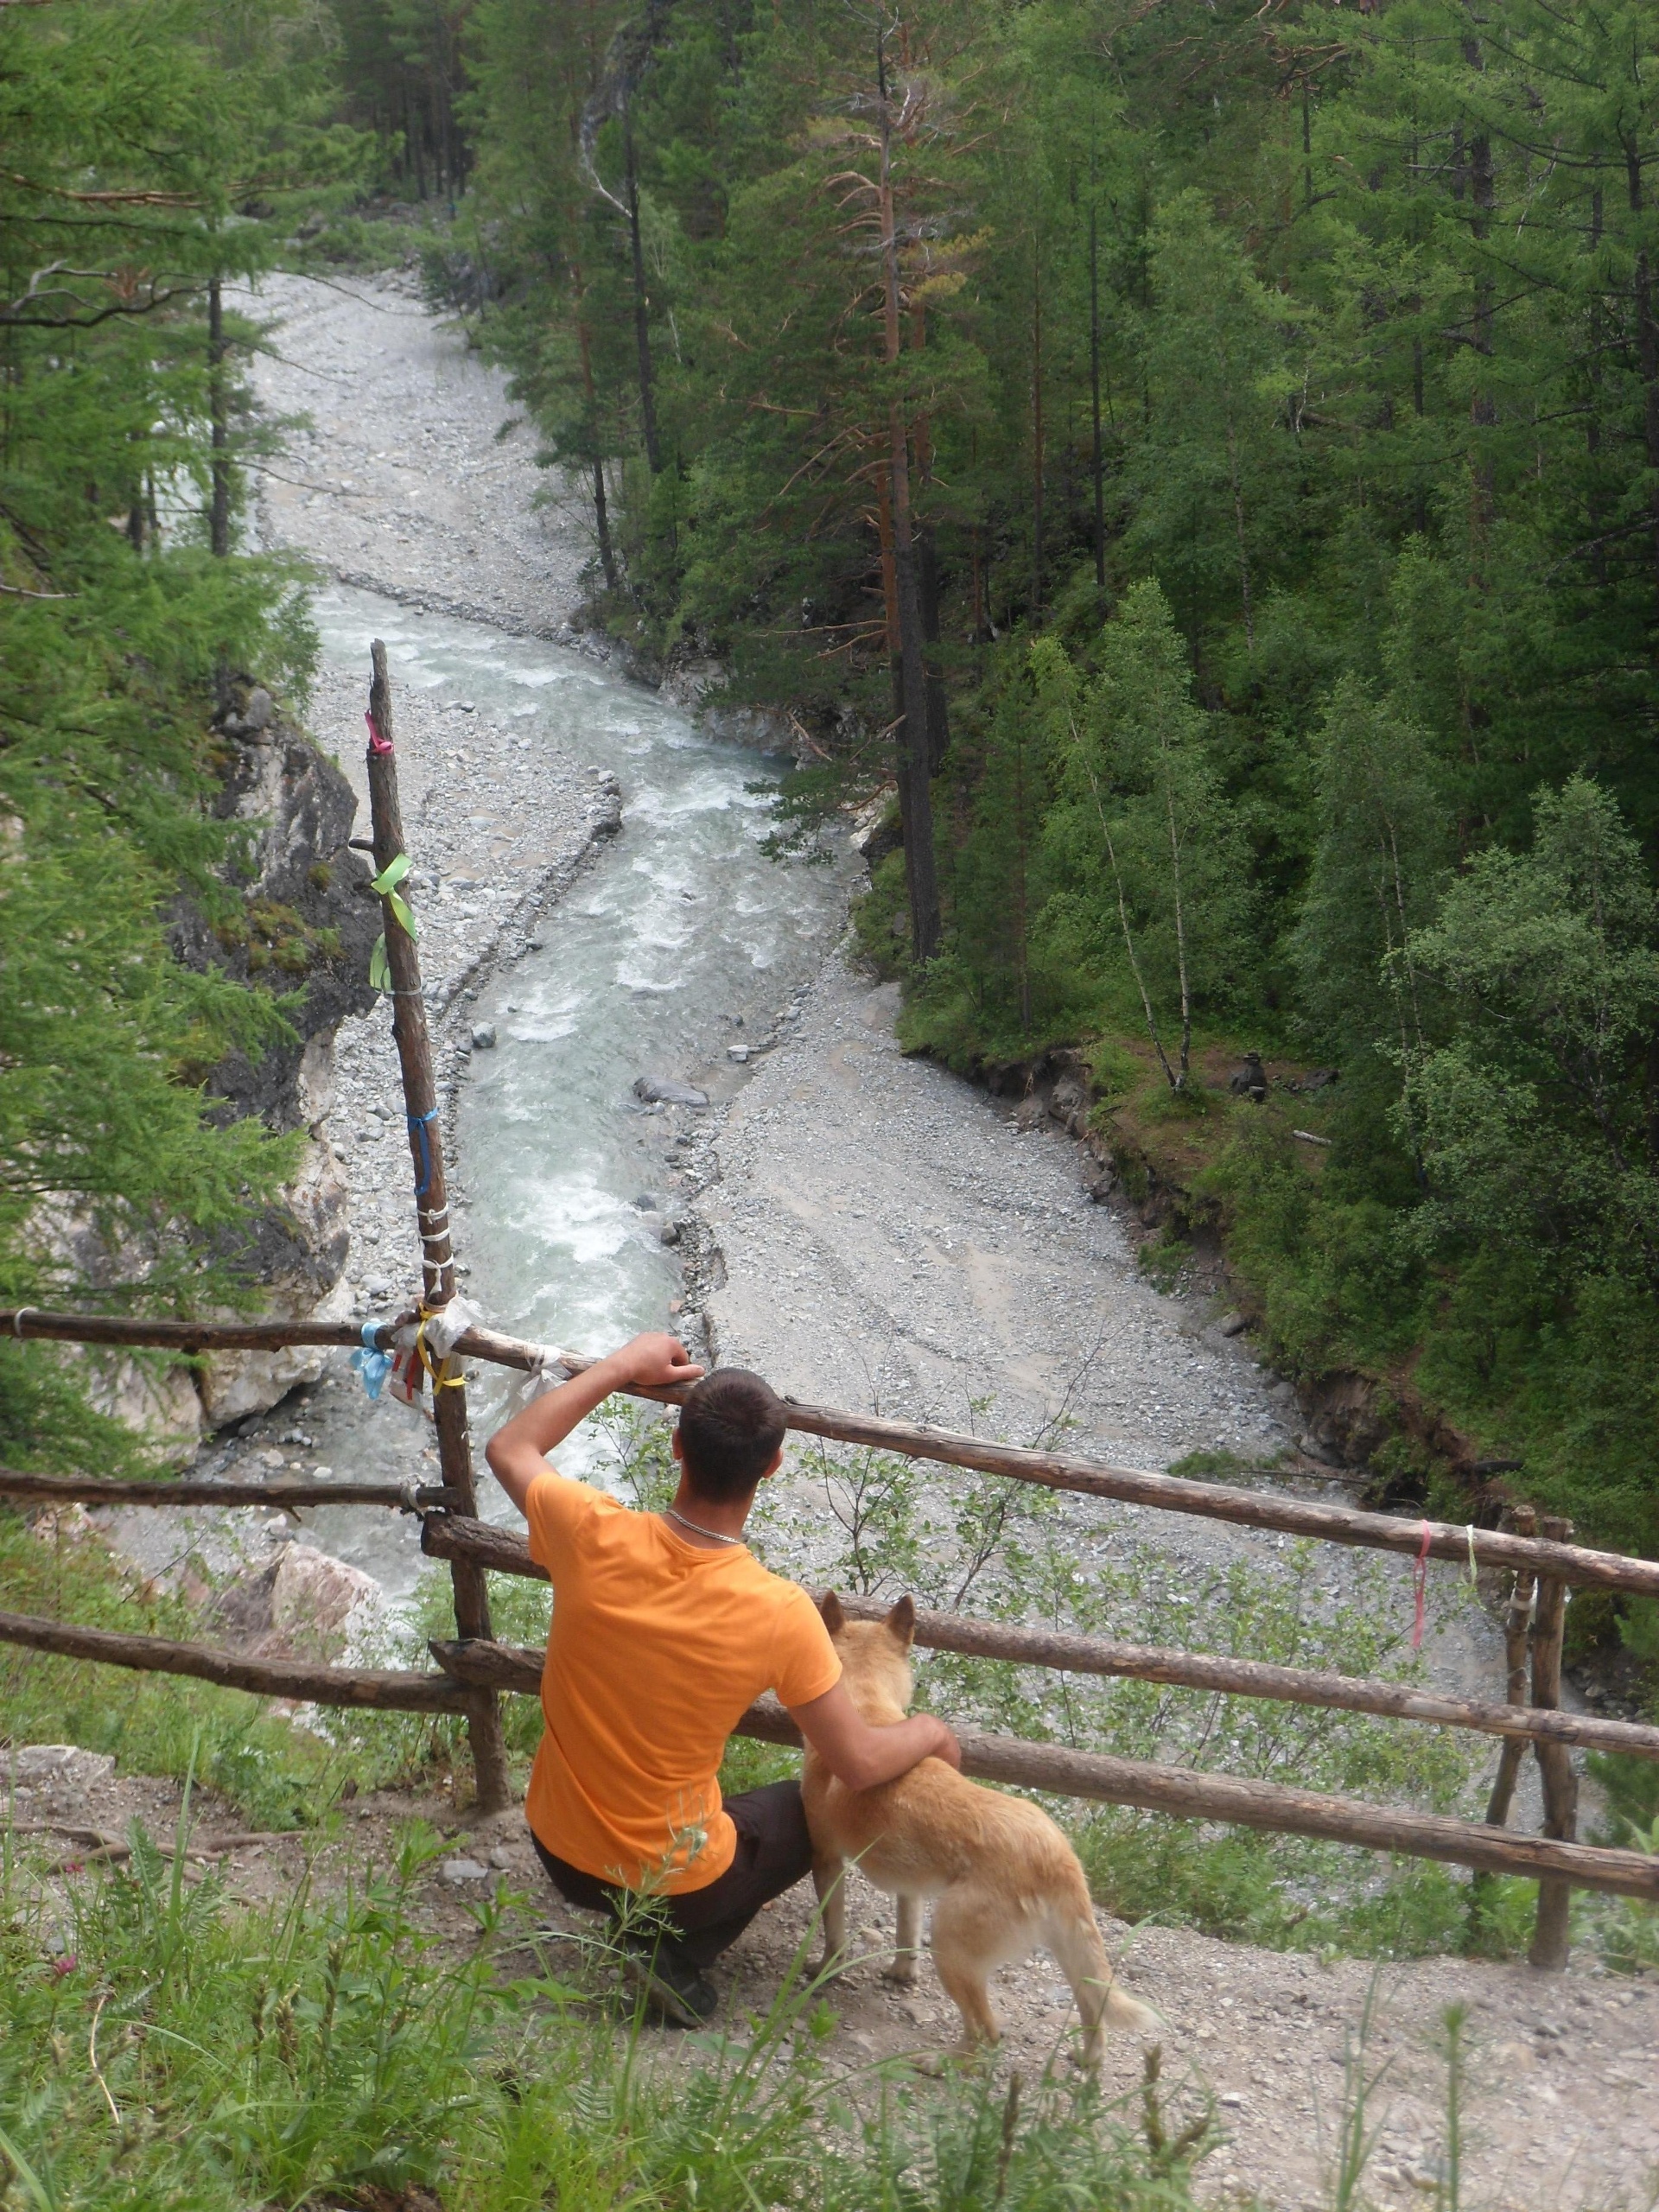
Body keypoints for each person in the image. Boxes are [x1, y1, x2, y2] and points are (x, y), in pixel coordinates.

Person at [484, 1331, 961, 2026]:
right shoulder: (779, 1611)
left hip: (560, 1851)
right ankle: (674, 1957)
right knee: (802, 1809)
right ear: (772, 1467)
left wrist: (622, 1366)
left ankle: (645, 1931)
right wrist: (929, 1729)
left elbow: (509, 1448)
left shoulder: (590, 1531)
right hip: (672, 1883)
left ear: (676, 1447)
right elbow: (856, 1762)